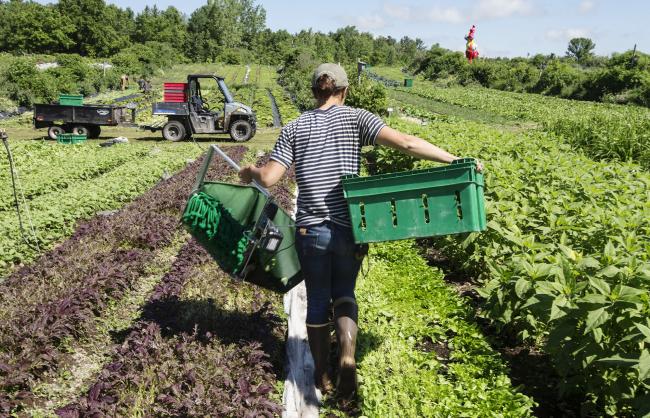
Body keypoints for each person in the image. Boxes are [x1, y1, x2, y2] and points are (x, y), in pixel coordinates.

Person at [238, 63, 482, 398]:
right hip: (349, 227)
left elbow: (268, 178)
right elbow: (408, 143)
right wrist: (453, 159)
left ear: (314, 91)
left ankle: (321, 374)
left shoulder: (295, 127)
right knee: (345, 295)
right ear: (345, 90)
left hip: (310, 230)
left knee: (318, 301)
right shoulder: (357, 119)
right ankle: (348, 359)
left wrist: (250, 170)